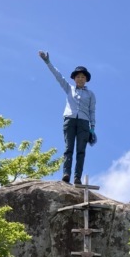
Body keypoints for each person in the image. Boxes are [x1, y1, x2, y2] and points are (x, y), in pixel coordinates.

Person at [38, 51, 96, 185]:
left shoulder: (91, 95)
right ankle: (66, 174)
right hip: (69, 120)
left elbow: (92, 111)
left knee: (81, 151)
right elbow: (58, 76)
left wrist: (92, 128)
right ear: (74, 79)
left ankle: (77, 177)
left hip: (84, 123)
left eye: (82, 77)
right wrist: (48, 62)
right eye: (78, 76)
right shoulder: (69, 89)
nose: (80, 79)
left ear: (86, 79)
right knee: (68, 148)